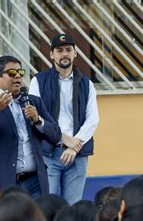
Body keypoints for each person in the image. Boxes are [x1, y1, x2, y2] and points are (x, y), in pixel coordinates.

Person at [0, 55, 61, 198]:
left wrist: (38, 120)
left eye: (20, 73)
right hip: (2, 180)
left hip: (35, 181)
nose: (17, 77)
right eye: (11, 73)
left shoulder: (33, 102)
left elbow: (56, 135)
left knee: (37, 219)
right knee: (4, 220)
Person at [29, 33, 99, 204]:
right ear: (52, 54)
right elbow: (33, 117)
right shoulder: (38, 81)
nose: (64, 54)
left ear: (75, 53)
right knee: (48, 205)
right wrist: (63, 138)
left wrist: (75, 145)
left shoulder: (86, 83)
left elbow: (93, 119)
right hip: (48, 152)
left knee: (73, 207)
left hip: (77, 154)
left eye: (69, 50)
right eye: (59, 50)